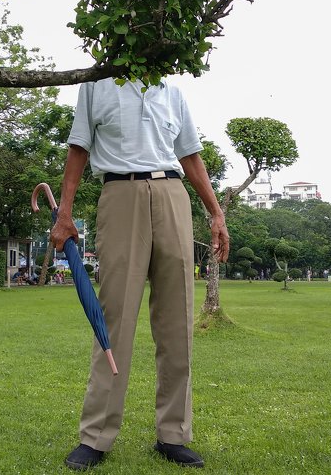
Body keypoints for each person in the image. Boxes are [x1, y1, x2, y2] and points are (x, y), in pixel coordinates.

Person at [51, 77, 229, 470]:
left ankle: (173, 434)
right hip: (120, 195)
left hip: (172, 196)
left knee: (177, 320)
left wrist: (216, 213)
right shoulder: (96, 86)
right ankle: (95, 436)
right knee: (113, 318)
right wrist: (64, 213)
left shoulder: (173, 91)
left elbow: (190, 155)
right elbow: (78, 147)